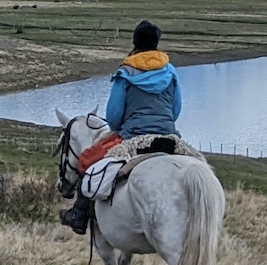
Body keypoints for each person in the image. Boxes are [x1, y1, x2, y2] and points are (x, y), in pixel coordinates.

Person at [60, 20, 183, 234]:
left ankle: (79, 215)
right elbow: (175, 111)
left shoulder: (125, 73)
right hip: (168, 135)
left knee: (88, 159)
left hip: (135, 137)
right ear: (156, 43)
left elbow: (114, 118)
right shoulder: (170, 71)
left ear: (135, 41)